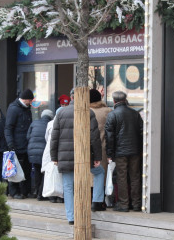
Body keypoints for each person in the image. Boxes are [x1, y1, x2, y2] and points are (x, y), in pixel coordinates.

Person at [49, 89, 104, 224]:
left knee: (68, 186)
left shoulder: (61, 112)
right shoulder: (88, 112)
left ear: (71, 97)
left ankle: (71, 217)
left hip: (64, 155)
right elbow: (94, 136)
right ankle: (96, 201)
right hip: (84, 155)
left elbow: (54, 137)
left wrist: (54, 156)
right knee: (99, 172)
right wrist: (97, 157)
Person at [104, 91, 143, 212]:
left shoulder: (112, 115)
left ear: (114, 101)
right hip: (135, 150)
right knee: (135, 177)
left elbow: (109, 137)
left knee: (121, 177)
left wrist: (109, 154)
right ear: (125, 100)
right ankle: (136, 203)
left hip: (120, 152)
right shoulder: (135, 113)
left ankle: (123, 204)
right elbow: (142, 132)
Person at [4, 89, 34, 199]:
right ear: (25, 99)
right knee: (15, 169)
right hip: (16, 144)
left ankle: (25, 191)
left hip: (26, 144)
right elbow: (8, 128)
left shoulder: (26, 109)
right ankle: (14, 192)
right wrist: (10, 143)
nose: (31, 103)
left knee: (26, 169)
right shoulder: (14, 109)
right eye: (30, 100)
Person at [89, 88, 111, 210]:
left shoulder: (85, 111)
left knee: (90, 175)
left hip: (87, 148)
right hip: (102, 148)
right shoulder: (107, 111)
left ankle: (89, 200)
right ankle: (99, 202)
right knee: (101, 175)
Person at [27, 109, 54, 201]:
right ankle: (41, 194)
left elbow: (28, 136)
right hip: (44, 152)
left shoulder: (34, 123)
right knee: (45, 173)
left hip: (32, 152)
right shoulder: (50, 124)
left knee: (37, 172)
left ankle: (36, 191)